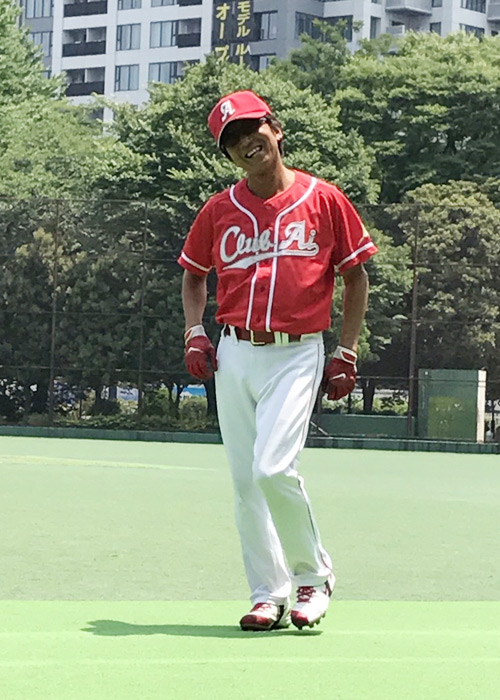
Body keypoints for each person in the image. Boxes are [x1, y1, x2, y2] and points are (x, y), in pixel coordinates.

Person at [178, 90, 378, 631]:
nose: (246, 143)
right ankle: (268, 593)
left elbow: (356, 275)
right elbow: (194, 274)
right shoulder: (219, 209)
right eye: (232, 140)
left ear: (276, 128)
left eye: (252, 129)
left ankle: (314, 576)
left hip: (296, 351)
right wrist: (195, 332)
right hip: (234, 352)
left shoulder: (324, 199)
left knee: (272, 468)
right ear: (227, 154)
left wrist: (347, 350)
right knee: (246, 482)